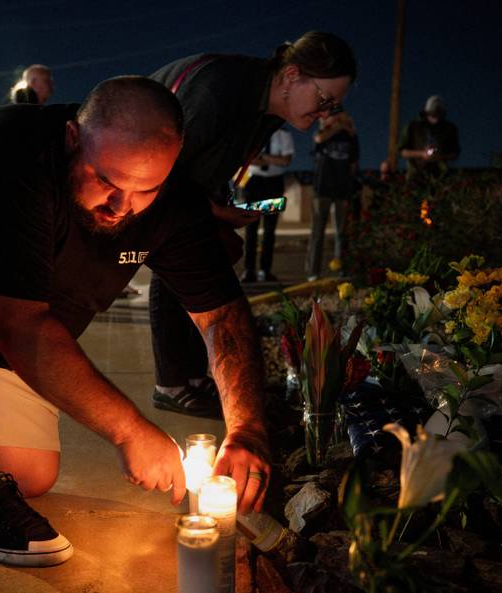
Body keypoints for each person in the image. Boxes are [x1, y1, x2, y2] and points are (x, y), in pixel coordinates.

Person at [0, 76, 269, 566]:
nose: (121, 207)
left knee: (27, 473)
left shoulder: (173, 204)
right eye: (106, 181)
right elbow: (17, 326)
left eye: (145, 189)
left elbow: (222, 318)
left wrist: (247, 429)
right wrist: (129, 431)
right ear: (71, 138)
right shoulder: (6, 150)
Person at [147, 31, 357, 418]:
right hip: (142, 180)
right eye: (325, 99)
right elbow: (163, 173)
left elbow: (210, 165)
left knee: (202, 258)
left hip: (185, 189)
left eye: (334, 104)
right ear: (292, 75)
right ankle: (173, 384)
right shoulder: (222, 89)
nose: (326, 112)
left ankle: (192, 379)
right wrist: (215, 213)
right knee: (176, 260)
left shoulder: (266, 108)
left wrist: (221, 208)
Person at [306, 109, 359, 280]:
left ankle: (341, 269)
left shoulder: (351, 137)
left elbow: (354, 163)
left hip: (342, 190)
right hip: (322, 189)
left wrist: (346, 127)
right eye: (332, 115)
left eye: (338, 114)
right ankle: (313, 272)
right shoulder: (322, 133)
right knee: (317, 233)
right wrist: (336, 127)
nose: (334, 118)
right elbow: (319, 140)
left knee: (341, 233)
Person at [241, 127, 294, 283]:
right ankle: (248, 271)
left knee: (269, 230)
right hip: (255, 183)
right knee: (251, 229)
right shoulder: (254, 133)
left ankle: (265, 271)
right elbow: (247, 157)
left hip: (273, 183)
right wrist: (273, 158)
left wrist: (262, 156)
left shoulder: (283, 134)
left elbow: (285, 160)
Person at [399, 95, 460, 178]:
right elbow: (402, 152)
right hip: (416, 176)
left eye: (439, 115)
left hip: (441, 177)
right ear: (426, 112)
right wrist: (421, 154)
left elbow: (455, 153)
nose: (436, 119)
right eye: (433, 115)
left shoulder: (449, 129)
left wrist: (440, 157)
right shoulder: (412, 127)